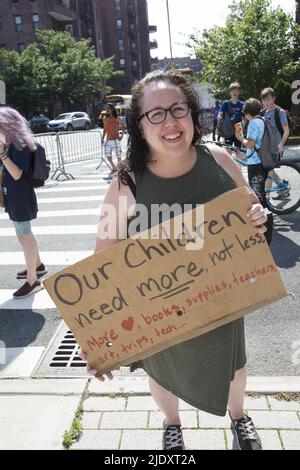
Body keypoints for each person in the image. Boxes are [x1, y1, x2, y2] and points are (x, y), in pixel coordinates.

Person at [83, 71, 267, 451]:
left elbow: (250, 209)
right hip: (158, 309)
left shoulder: (218, 159)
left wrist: (258, 218)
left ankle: (239, 417)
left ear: (191, 113)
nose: (169, 122)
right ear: (139, 125)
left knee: (232, 362)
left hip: (221, 296)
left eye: (177, 109)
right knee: (163, 371)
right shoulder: (126, 183)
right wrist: (98, 339)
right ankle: (172, 425)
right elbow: (101, 265)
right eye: (155, 114)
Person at [0, 106, 47, 299]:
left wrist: (1, 154)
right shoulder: (11, 143)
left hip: (20, 196)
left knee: (24, 236)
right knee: (26, 233)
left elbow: (17, 173)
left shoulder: (18, 145)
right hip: (15, 195)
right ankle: (37, 266)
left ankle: (32, 280)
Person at [235, 98, 273, 245]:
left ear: (246, 113)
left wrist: (240, 137)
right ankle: (266, 226)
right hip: (263, 160)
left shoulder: (253, 123)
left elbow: (250, 144)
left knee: (259, 198)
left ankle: (266, 230)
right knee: (260, 194)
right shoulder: (262, 120)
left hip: (255, 163)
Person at [260, 87, 290, 199]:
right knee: (270, 170)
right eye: (263, 100)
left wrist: (281, 144)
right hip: (265, 148)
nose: (266, 102)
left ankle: (266, 199)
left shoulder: (279, 112)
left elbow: (286, 131)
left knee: (269, 171)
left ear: (274, 98)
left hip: (276, 147)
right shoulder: (263, 112)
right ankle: (283, 187)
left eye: (268, 99)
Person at [218, 82, 244, 159]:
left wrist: (243, 126)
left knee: (238, 149)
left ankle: (239, 168)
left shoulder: (242, 104)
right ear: (230, 92)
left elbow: (245, 117)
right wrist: (221, 124)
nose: (234, 92)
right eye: (232, 91)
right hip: (227, 128)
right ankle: (230, 168)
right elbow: (220, 114)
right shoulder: (226, 103)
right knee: (228, 149)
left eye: (236, 90)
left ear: (239, 92)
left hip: (238, 128)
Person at [102, 104, 124, 174]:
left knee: (118, 156)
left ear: (112, 109)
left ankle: (121, 170)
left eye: (108, 108)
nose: (107, 110)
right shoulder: (105, 118)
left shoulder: (116, 118)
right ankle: (114, 168)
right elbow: (105, 128)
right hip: (108, 140)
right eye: (106, 108)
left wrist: (121, 135)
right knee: (107, 155)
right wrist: (102, 138)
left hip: (115, 140)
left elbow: (122, 126)